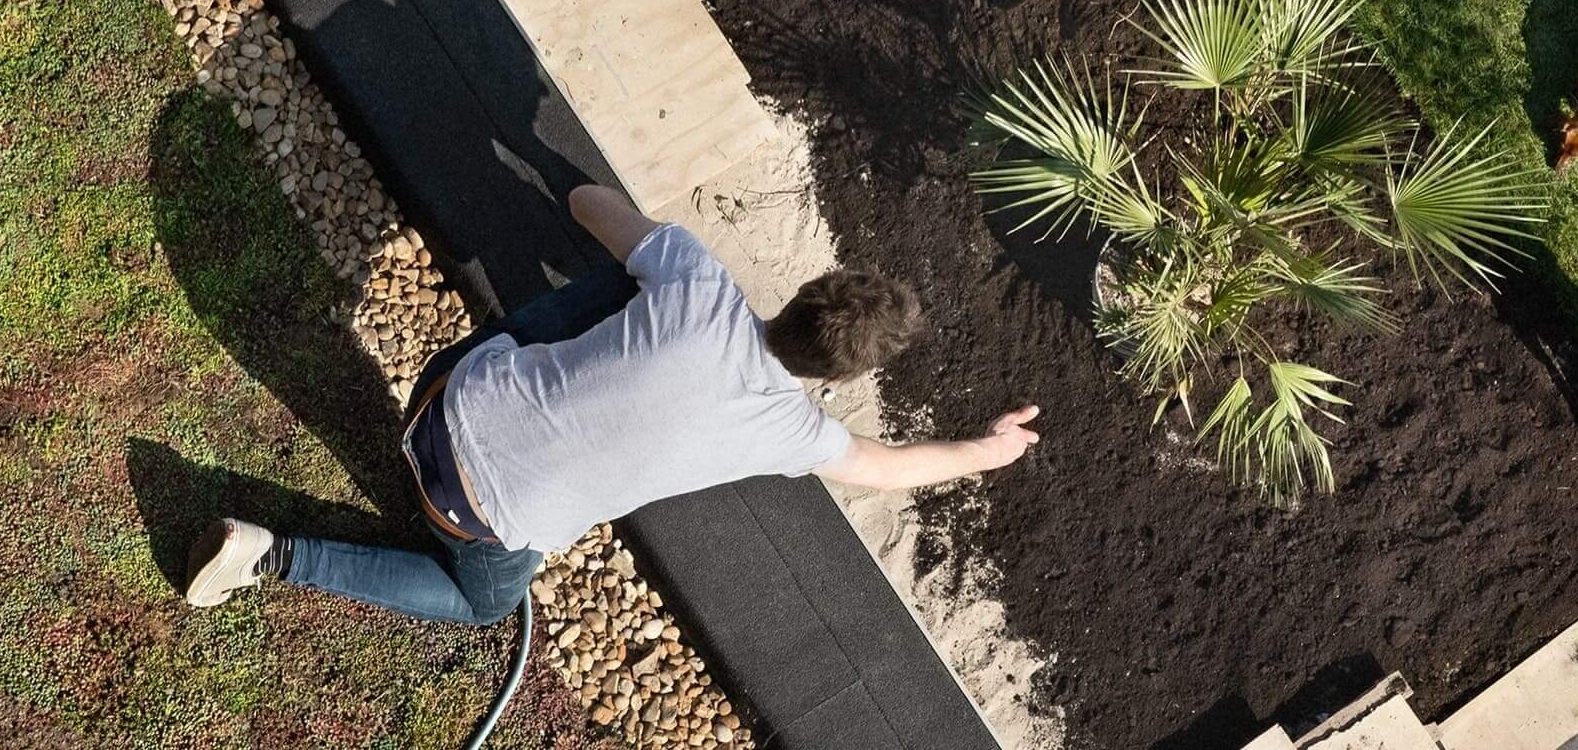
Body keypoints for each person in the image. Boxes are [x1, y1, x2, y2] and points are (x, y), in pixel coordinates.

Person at [182, 184, 1042, 624]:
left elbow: (585, 204)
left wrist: (659, 249)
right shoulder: (796, 433)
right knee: (486, 605)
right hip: (466, 518)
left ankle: (271, 553)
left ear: (804, 291)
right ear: (843, 379)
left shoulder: (703, 283)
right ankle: (271, 557)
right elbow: (885, 470)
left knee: (632, 281)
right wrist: (988, 450)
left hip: (441, 394)